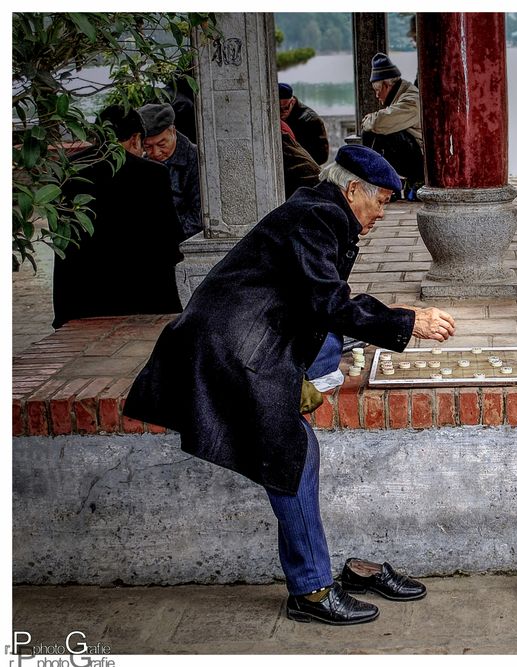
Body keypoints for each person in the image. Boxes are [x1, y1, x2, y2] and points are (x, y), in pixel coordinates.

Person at [123, 145, 456, 626]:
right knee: (294, 459)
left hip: (256, 339)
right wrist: (409, 321)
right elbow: (328, 300)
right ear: (352, 189)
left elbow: (315, 303)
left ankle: (320, 572)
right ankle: (312, 590)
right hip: (237, 350)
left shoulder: (322, 212)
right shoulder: (317, 218)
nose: (384, 210)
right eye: (381, 200)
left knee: (301, 430)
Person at [52, 105, 182, 328]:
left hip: (85, 298)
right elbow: (170, 239)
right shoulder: (152, 174)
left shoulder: (69, 171)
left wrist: (63, 310)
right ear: (135, 139)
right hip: (145, 296)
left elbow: (64, 244)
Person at [361, 52, 424, 200]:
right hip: (416, 156)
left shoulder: (411, 100)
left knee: (379, 132)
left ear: (386, 85)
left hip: (422, 160)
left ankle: (383, 184)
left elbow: (379, 122)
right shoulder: (401, 96)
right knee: (372, 132)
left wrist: (368, 120)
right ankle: (382, 184)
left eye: (378, 91)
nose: (377, 96)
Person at [138, 103, 202, 241]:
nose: (155, 153)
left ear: (173, 131)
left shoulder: (197, 161)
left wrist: (165, 240)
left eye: (162, 144)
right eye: (147, 146)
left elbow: (198, 218)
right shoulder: (143, 163)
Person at [278, 83, 330, 166]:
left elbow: (321, 157)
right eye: (278, 108)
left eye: (285, 108)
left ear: (292, 101)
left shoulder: (311, 120)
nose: (281, 113)